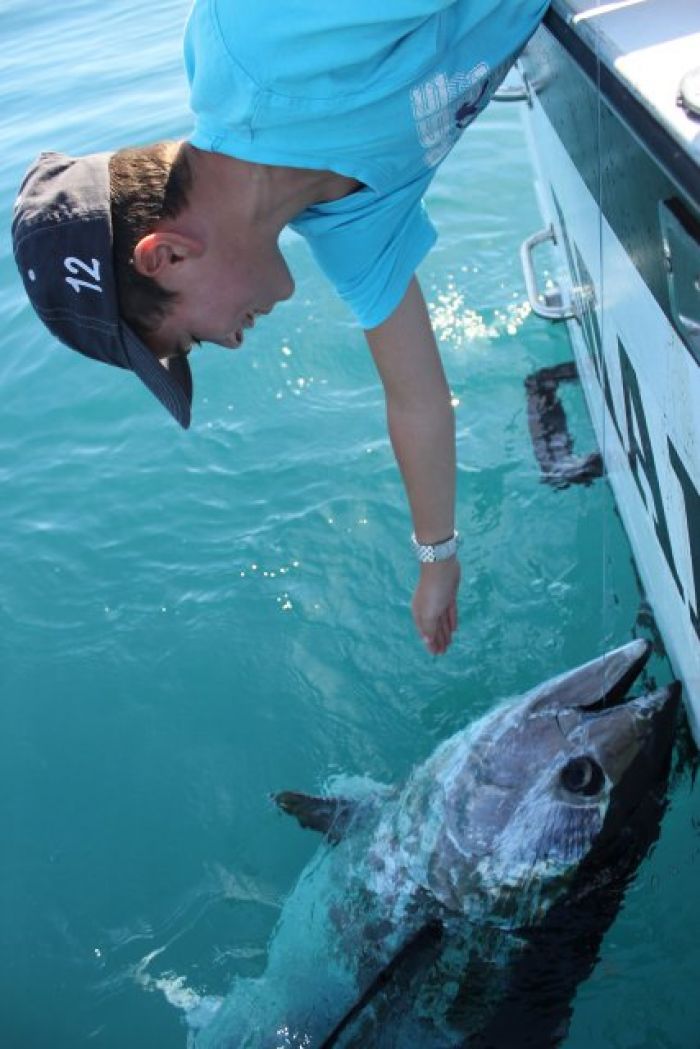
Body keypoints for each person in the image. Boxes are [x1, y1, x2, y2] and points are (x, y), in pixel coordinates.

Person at [12, 0, 548, 656]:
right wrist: (437, 561)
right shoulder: (348, 227)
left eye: (195, 340)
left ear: (167, 256)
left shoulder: (255, 40)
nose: (233, 342)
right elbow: (415, 398)